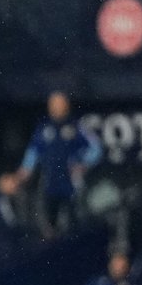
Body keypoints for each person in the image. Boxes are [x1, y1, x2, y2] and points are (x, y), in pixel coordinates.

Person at [15, 91, 102, 239]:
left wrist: (83, 163)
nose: (56, 108)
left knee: (74, 222)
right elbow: (33, 151)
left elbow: (95, 148)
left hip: (71, 183)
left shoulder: (76, 127)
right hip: (50, 183)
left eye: (59, 104)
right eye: (53, 104)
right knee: (49, 223)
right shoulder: (44, 128)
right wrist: (26, 170)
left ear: (66, 105)